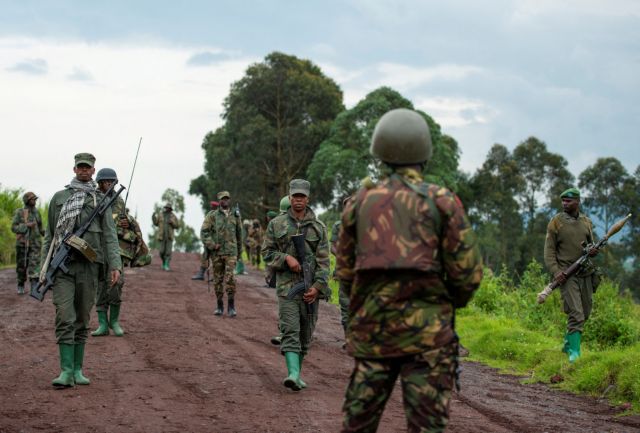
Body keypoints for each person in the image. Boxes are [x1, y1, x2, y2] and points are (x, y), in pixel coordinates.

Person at [336, 109, 483, 432]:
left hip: (374, 336)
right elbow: (468, 275)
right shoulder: (442, 202)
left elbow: (345, 274)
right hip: (429, 339)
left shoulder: (360, 203)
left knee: (357, 426)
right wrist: (442, 305)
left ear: (381, 152)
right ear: (424, 153)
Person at [40, 153, 122, 387]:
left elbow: (109, 235)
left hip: (88, 268)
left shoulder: (100, 200)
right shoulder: (59, 198)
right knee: (64, 316)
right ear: (74, 169)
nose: (84, 171)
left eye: (88, 168)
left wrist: (115, 264)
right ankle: (65, 371)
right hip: (63, 269)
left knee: (82, 318)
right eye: (80, 167)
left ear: (93, 171)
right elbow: (50, 235)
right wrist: (43, 268)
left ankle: (77, 370)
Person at [262, 179, 330, 391]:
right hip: (287, 289)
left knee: (305, 334)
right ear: (290, 198)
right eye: (295, 196)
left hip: (311, 290)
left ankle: (297, 374)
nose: (298, 200)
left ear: (307, 199)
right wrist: (286, 259)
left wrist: (317, 287)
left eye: (302, 197)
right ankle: (292, 373)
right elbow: (267, 253)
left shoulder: (318, 228)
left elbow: (324, 262)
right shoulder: (277, 224)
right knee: (290, 330)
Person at [91, 168, 150, 337]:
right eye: (105, 182)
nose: (108, 184)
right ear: (100, 183)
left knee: (117, 283)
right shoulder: (93, 198)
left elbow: (123, 222)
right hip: (97, 249)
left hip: (115, 250)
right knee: (100, 286)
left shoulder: (118, 201)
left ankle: (114, 321)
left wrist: (125, 223)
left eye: (112, 182)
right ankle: (103, 323)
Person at [544, 187, 598, 363]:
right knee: (576, 313)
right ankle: (574, 354)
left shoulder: (586, 222)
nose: (564, 204)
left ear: (578, 201)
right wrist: (556, 272)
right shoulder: (556, 222)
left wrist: (593, 250)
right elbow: (549, 252)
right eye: (563, 201)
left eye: (568, 201)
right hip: (566, 275)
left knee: (586, 312)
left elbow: (590, 246)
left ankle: (568, 343)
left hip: (586, 273)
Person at [200, 191, 242, 316]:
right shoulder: (212, 216)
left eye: (227, 199)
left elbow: (239, 234)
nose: (225, 201)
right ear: (219, 201)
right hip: (217, 253)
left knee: (231, 279)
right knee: (218, 280)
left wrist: (239, 252)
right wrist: (212, 245)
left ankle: (231, 306)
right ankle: (219, 305)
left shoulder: (235, 215)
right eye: (223, 199)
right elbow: (204, 232)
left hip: (231, 253)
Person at [11, 191, 44, 295]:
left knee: (35, 265)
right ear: (27, 201)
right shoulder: (20, 212)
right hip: (22, 244)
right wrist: (26, 226)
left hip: (35, 244)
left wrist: (49, 235)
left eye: (35, 199)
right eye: (32, 199)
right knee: (21, 266)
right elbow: (14, 227)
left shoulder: (36, 212)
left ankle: (34, 286)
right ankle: (20, 284)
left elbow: (41, 228)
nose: (34, 201)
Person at [192, 201, 219, 280]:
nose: (211, 208)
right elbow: (205, 229)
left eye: (212, 207)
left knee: (216, 259)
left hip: (215, 241)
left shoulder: (217, 217)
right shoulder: (210, 215)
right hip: (208, 240)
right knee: (205, 256)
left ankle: (216, 276)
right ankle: (201, 274)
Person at [152, 202, 178, 271]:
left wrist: (172, 223)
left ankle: (166, 265)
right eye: (166, 207)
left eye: (168, 208)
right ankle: (163, 262)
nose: (167, 209)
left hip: (169, 237)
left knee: (168, 252)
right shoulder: (160, 215)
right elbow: (156, 223)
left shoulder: (173, 216)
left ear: (170, 209)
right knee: (161, 252)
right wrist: (153, 217)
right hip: (161, 236)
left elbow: (177, 225)